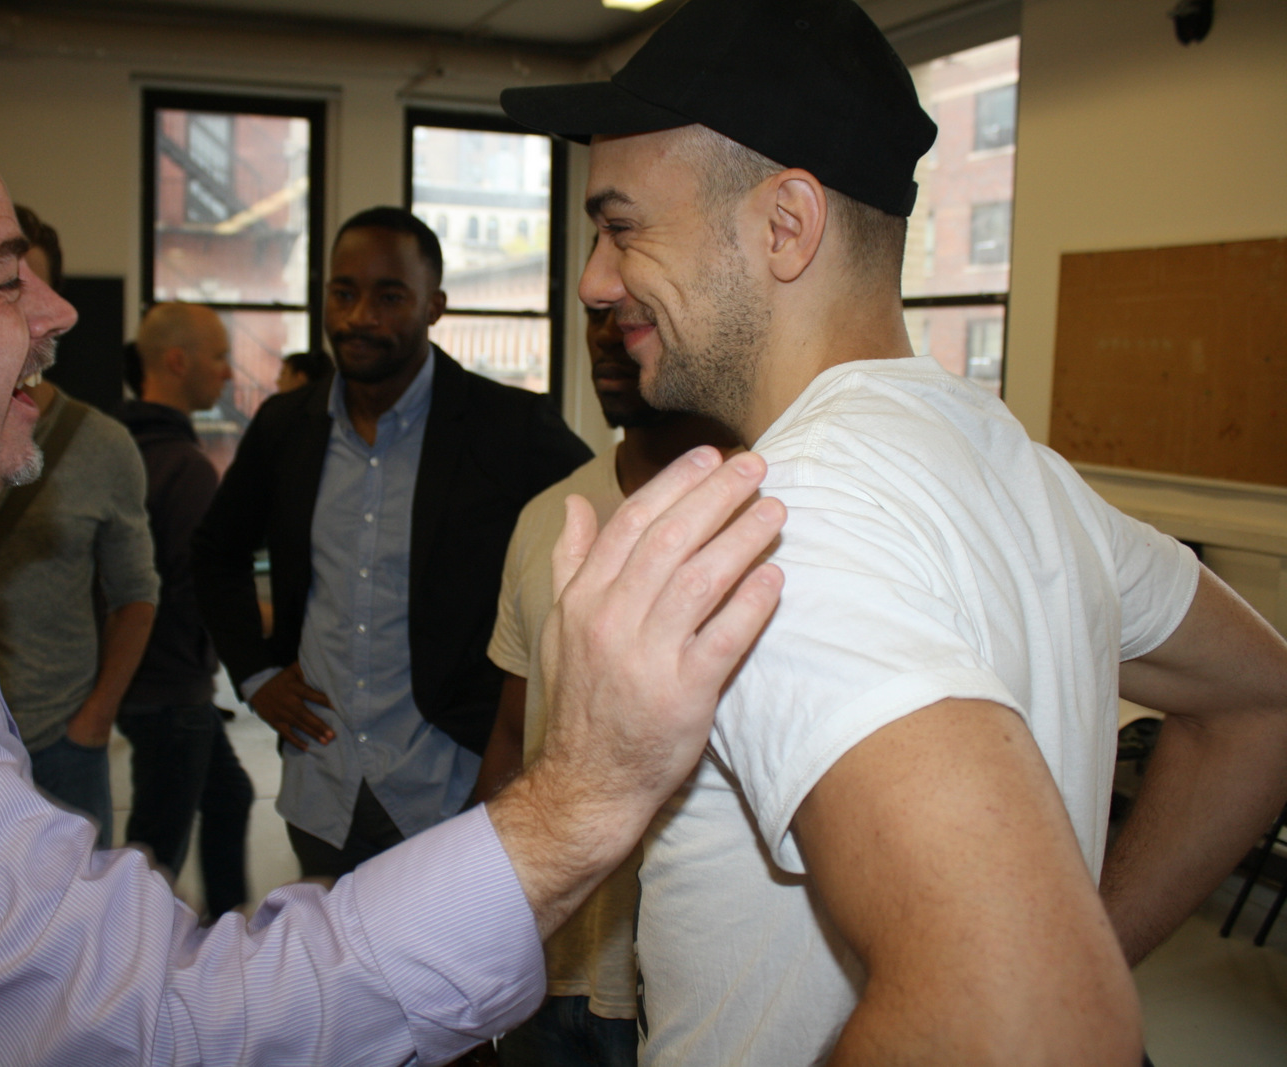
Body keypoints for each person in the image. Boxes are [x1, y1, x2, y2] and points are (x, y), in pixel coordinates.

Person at [0, 90, 788, 1064]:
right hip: (332, 775)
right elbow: (168, 1024)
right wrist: (580, 797)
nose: (60, 313)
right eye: (6, 279)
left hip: (434, 774)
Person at [500, 0, 1287, 1063]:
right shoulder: (1026, 473)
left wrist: (1060, 968)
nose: (595, 280)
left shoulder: (786, 528)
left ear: (785, 225)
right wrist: (1086, 944)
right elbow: (1260, 700)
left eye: (623, 226)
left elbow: (1023, 1017)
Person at [193, 207, 593, 879]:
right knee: (325, 947)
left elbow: (600, 520)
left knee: (455, 951)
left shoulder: (507, 426)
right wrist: (256, 676)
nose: (360, 317)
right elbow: (214, 552)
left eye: (389, 296)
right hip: (323, 787)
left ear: (435, 305)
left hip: (452, 784)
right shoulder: (287, 426)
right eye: (343, 293)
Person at [474, 298, 739, 1066]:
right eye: (597, 314)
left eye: (634, 311)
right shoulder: (548, 516)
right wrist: (481, 946)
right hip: (544, 973)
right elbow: (512, 737)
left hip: (681, 993)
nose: (606, 334)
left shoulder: (761, 516)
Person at [0, 206, 159, 849]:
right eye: (7, 288)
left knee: (80, 910)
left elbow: (137, 593)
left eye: (39, 288)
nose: (35, 312)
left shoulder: (100, 444)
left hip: (60, 741)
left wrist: (94, 720)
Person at [119, 301, 255, 917]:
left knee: (230, 795)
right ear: (177, 361)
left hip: (143, 679)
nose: (228, 373)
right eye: (220, 356)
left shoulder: (120, 449)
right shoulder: (185, 468)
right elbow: (195, 589)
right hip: (171, 687)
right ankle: (141, 949)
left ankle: (226, 930)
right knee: (155, 852)